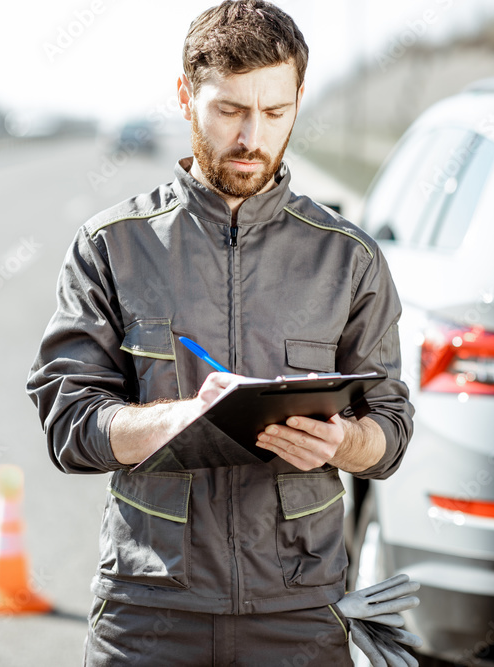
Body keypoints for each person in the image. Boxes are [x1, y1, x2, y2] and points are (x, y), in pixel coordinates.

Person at [27, 1, 414, 663]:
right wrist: (182, 417)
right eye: (230, 110)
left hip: (299, 607)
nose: (251, 138)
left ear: (297, 100)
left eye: (274, 112)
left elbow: (391, 429)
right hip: (147, 607)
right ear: (185, 96)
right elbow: (70, 426)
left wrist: (344, 438)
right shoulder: (109, 246)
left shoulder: (349, 258)